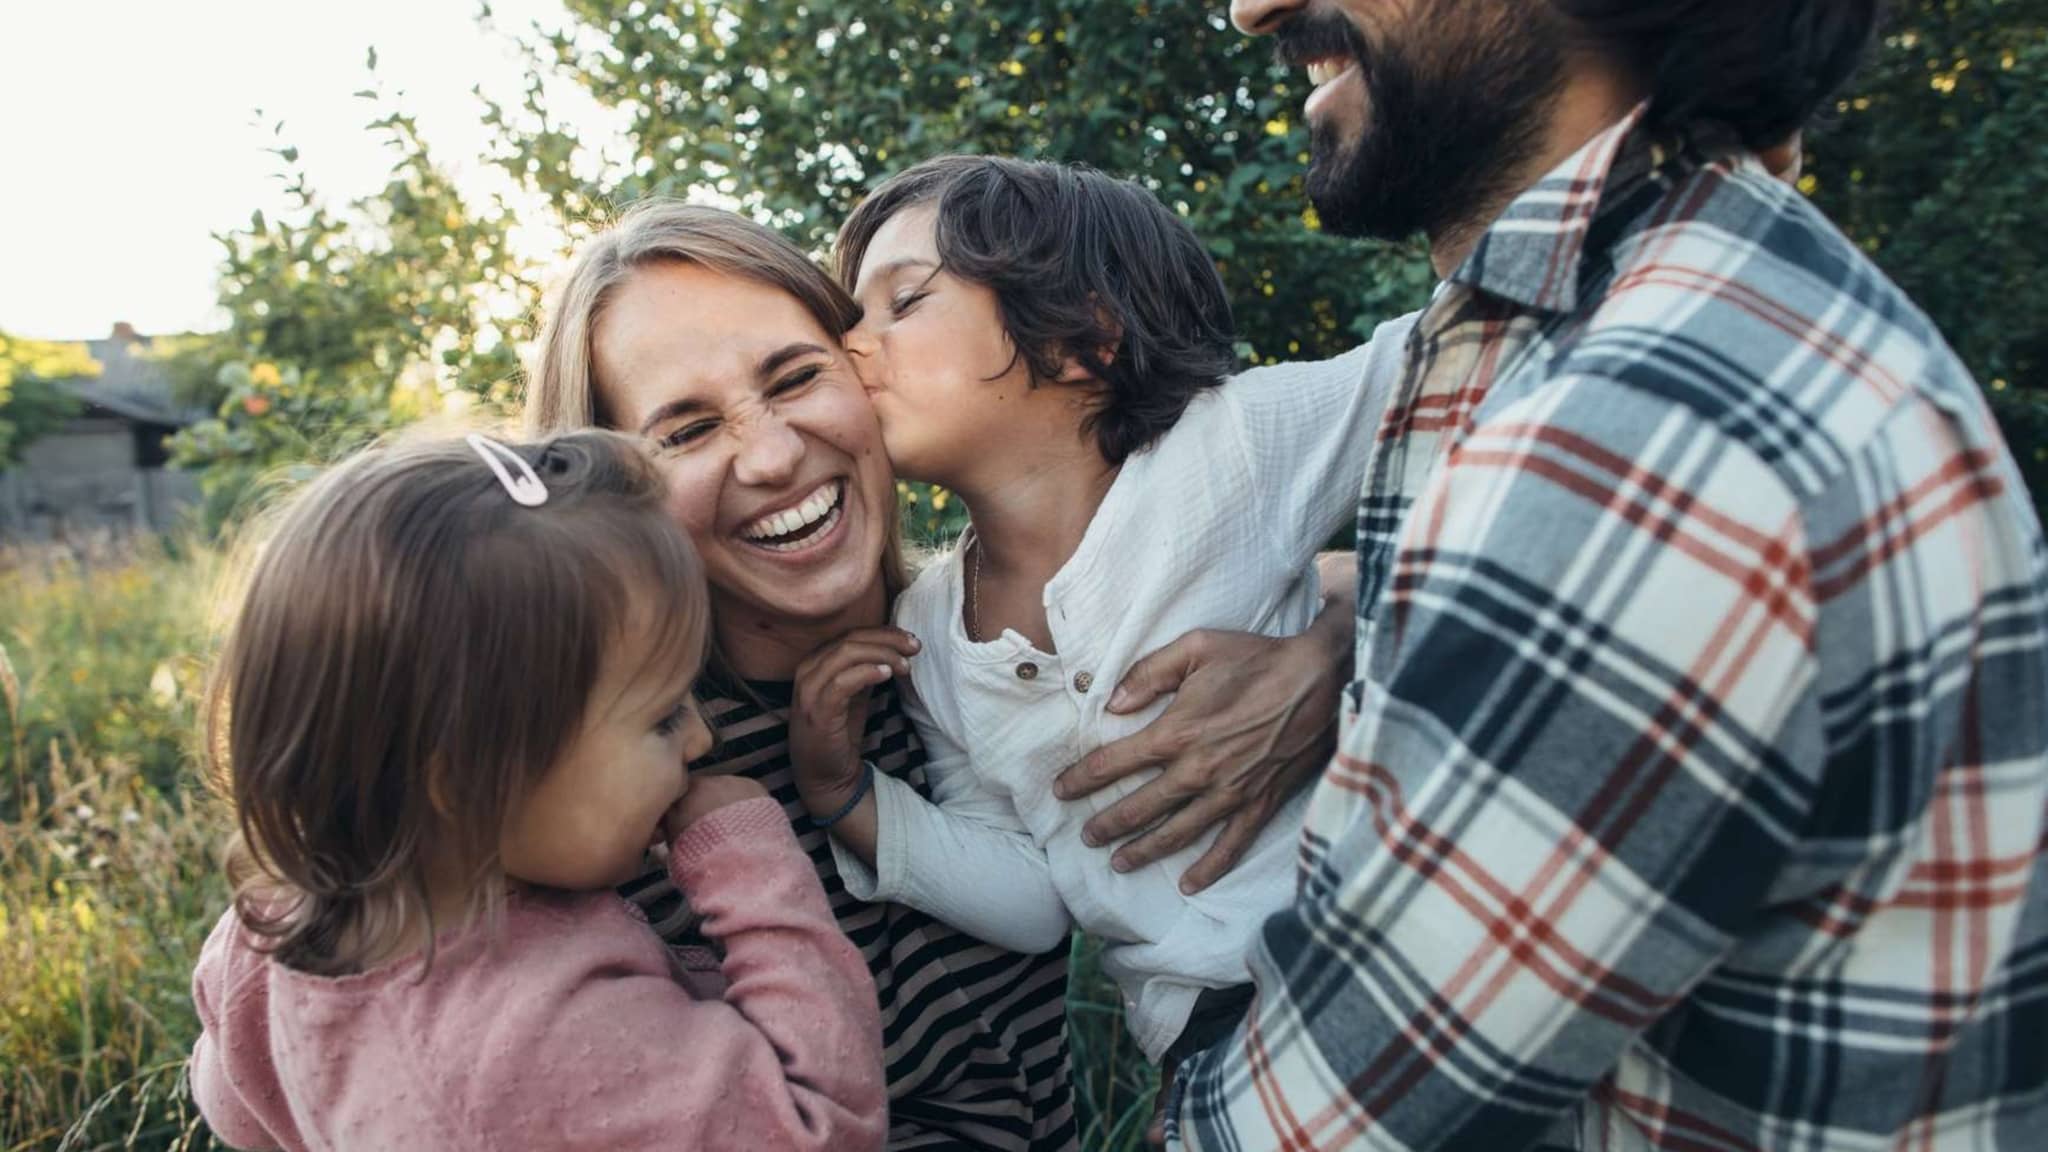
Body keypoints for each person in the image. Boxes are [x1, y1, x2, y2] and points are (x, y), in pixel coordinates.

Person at [1165, 1, 2048, 1149]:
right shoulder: (1654, 315)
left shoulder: (1639, 427)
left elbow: (1303, 1131)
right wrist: (1339, 617)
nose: (1250, 8)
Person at [521, 201, 1352, 1151]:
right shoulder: (609, 788)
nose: (776, 454)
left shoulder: (969, 644)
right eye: (687, 431)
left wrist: (1335, 634)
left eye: (795, 378)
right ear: (611, 494)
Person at [790, 154, 1408, 1092]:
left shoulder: (1227, 446)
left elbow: (1455, 360)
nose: (852, 347)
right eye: (850, 319)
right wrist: (847, 800)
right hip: (1210, 1050)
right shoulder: (926, 632)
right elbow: (1036, 897)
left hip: (1398, 954)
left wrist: (1355, 614)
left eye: (903, 302)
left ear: (1086, 337)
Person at [187, 430, 885, 1152]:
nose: (701, 739)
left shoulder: (267, 929)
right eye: (663, 715)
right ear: (467, 776)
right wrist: (748, 868)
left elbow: (234, 1104)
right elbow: (824, 1126)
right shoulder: (541, 1042)